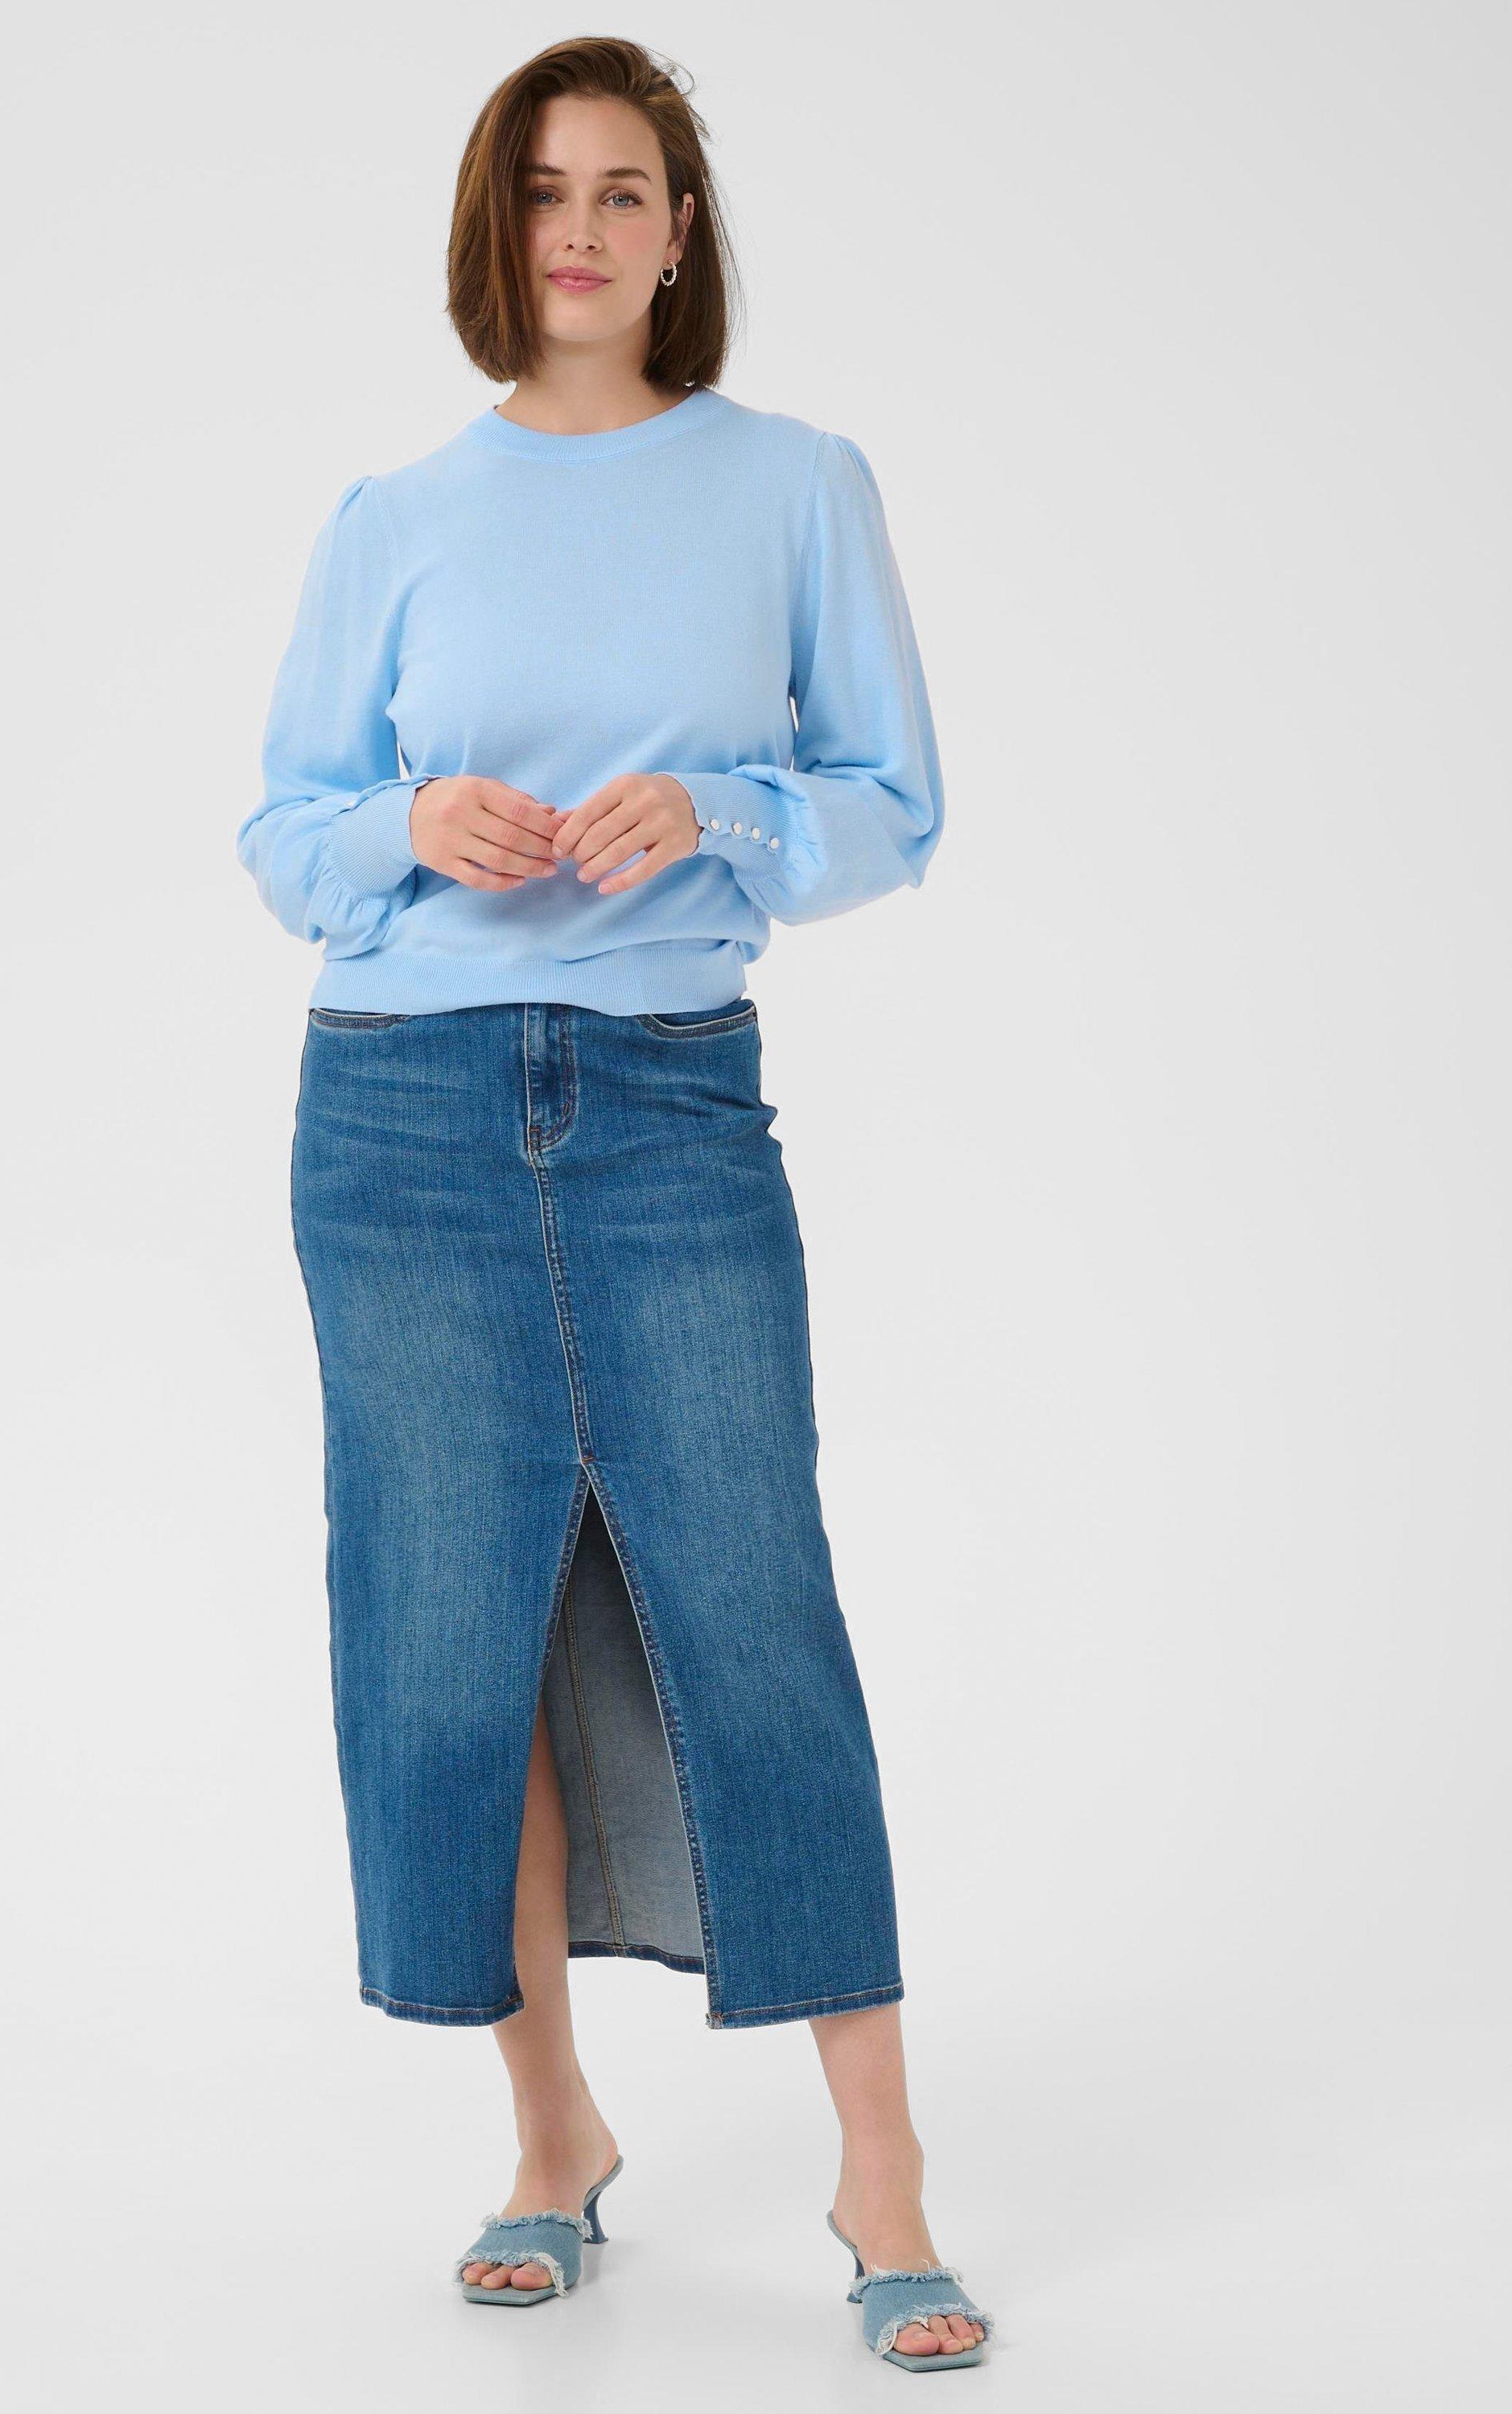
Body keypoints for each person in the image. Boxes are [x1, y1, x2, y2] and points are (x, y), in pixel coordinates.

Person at [235, 35, 994, 2371]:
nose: (582, 229)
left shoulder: (792, 486)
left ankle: (882, 2171)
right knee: (456, 1633)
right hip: (402, 1115)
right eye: (546, 190)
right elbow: (285, 834)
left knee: (750, 1605)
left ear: (683, 231)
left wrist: (727, 815)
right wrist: (406, 830)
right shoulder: (394, 514)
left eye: (627, 190)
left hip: (669, 1100)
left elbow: (895, 800)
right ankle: (549, 2134)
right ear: (500, 226)